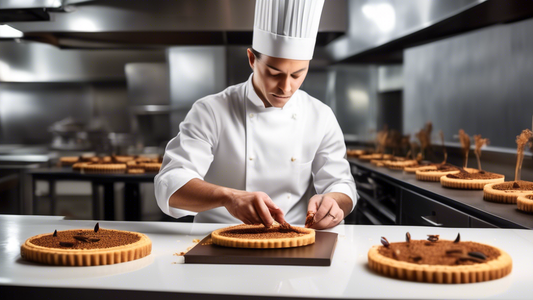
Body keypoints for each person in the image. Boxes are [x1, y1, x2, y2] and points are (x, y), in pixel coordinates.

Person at [155, 0, 357, 230]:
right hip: (213, 239)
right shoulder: (211, 111)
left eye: (297, 75)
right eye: (274, 73)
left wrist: (333, 202)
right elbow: (169, 184)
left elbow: (341, 184)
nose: (286, 87)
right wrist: (228, 197)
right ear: (252, 59)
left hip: (291, 242)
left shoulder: (320, 116)